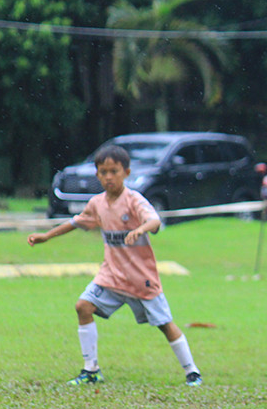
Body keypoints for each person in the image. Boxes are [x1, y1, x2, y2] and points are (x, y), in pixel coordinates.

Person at [27, 145, 202, 387]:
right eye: (103, 172)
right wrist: (47, 236)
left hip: (141, 278)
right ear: (97, 174)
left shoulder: (133, 200)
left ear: (126, 172)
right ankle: (91, 371)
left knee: (164, 324)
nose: (109, 177)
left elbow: (154, 220)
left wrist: (140, 229)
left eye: (114, 171)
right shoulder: (97, 203)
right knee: (83, 306)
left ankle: (192, 372)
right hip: (111, 275)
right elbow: (76, 222)